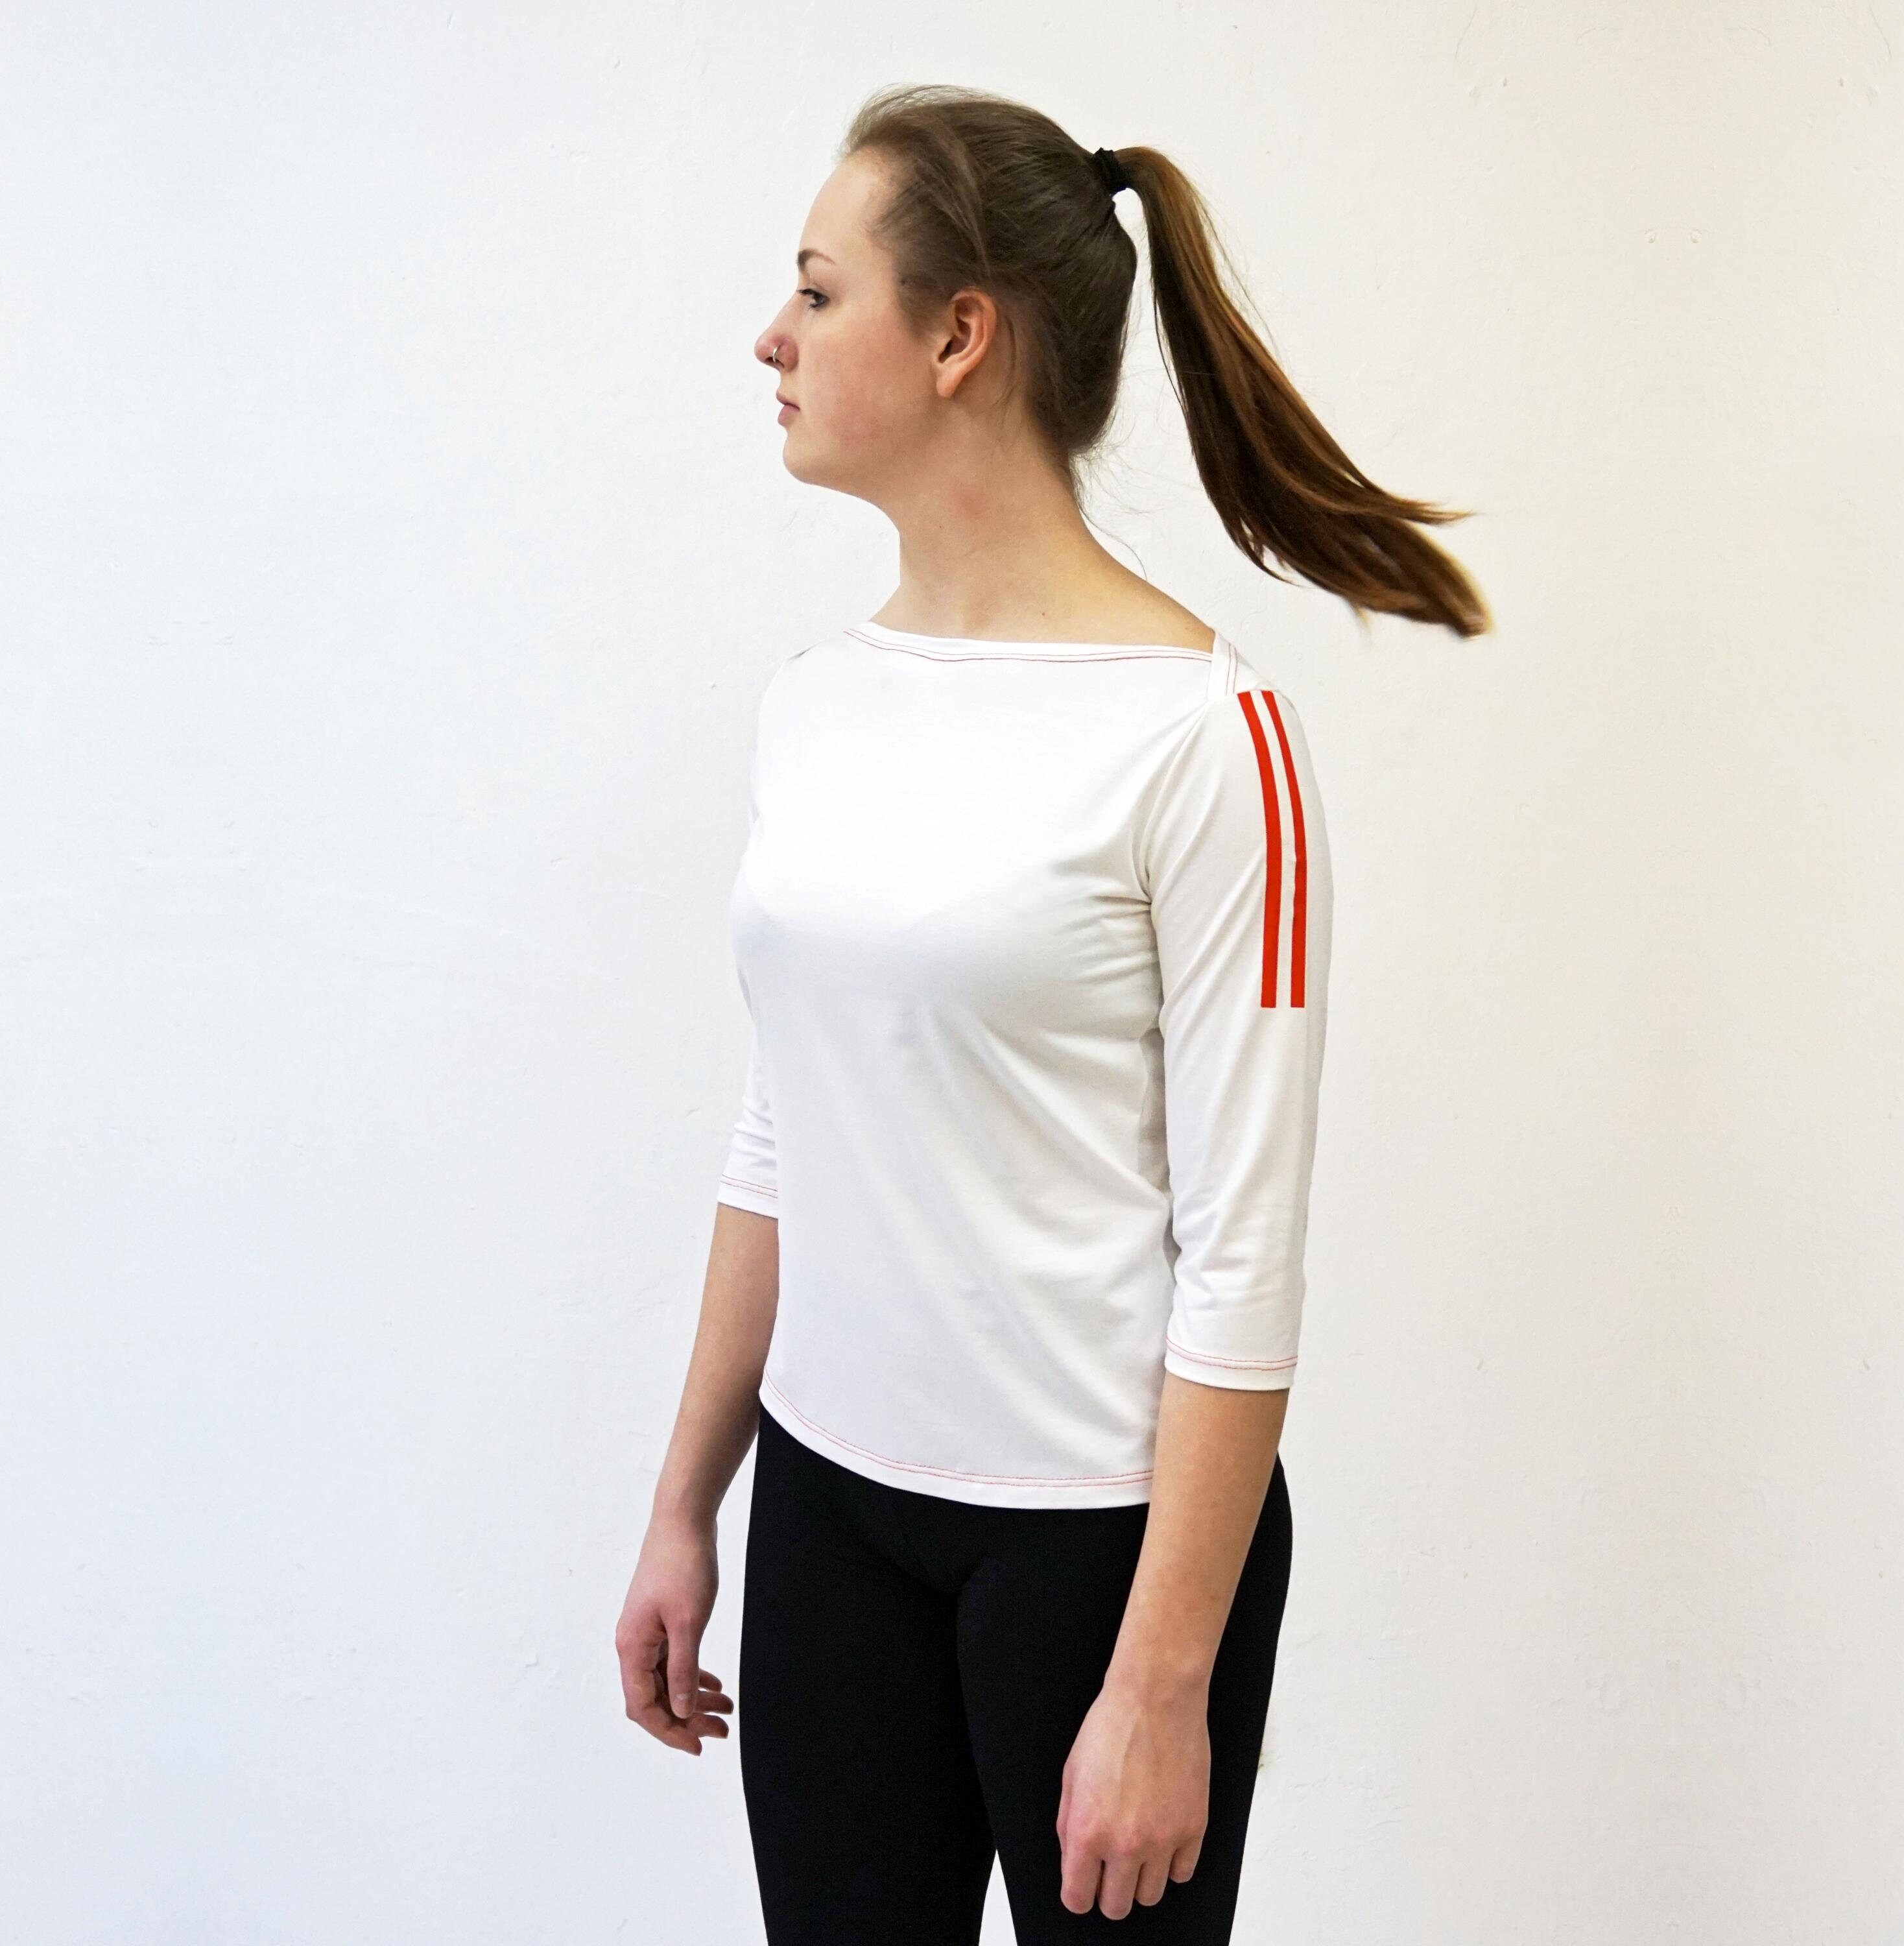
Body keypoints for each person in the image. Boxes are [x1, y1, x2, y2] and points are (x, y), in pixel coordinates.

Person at [616, 84, 1488, 1944]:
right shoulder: (815, 702)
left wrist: (1163, 1685)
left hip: (1097, 1559)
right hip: (830, 1511)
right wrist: (689, 1501)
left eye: (818, 291)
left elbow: (1244, 1253)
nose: (771, 338)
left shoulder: (1204, 738)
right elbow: (783, 1130)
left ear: (960, 337)